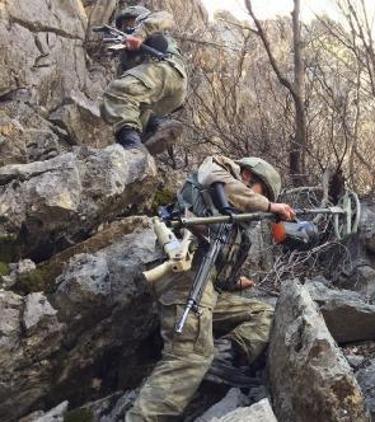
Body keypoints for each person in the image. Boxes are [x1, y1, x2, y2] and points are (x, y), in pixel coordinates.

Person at [126, 155, 296, 421]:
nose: (248, 183)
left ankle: (220, 358)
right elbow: (221, 185)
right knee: (189, 356)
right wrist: (270, 205)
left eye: (257, 186)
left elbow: (222, 277)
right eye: (250, 179)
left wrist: (236, 283)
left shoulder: (238, 232)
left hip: (208, 289)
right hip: (184, 278)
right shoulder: (217, 169)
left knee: (265, 314)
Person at [100, 6, 187, 152]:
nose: (127, 27)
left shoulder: (154, 24)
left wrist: (140, 34)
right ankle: (158, 126)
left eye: (130, 22)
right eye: (123, 26)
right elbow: (126, 100)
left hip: (166, 70)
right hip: (167, 95)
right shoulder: (126, 58)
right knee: (125, 108)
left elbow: (165, 18)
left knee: (119, 91)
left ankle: (132, 147)